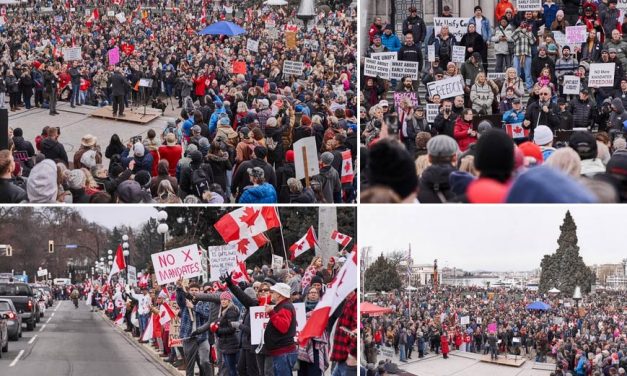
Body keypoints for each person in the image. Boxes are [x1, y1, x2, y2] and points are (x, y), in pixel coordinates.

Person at [265, 283, 298, 376]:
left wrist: (271, 313)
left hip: (283, 353)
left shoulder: (285, 307)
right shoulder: (284, 306)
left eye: (273, 292)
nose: (271, 294)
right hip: (282, 352)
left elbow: (283, 327)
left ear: (279, 294)